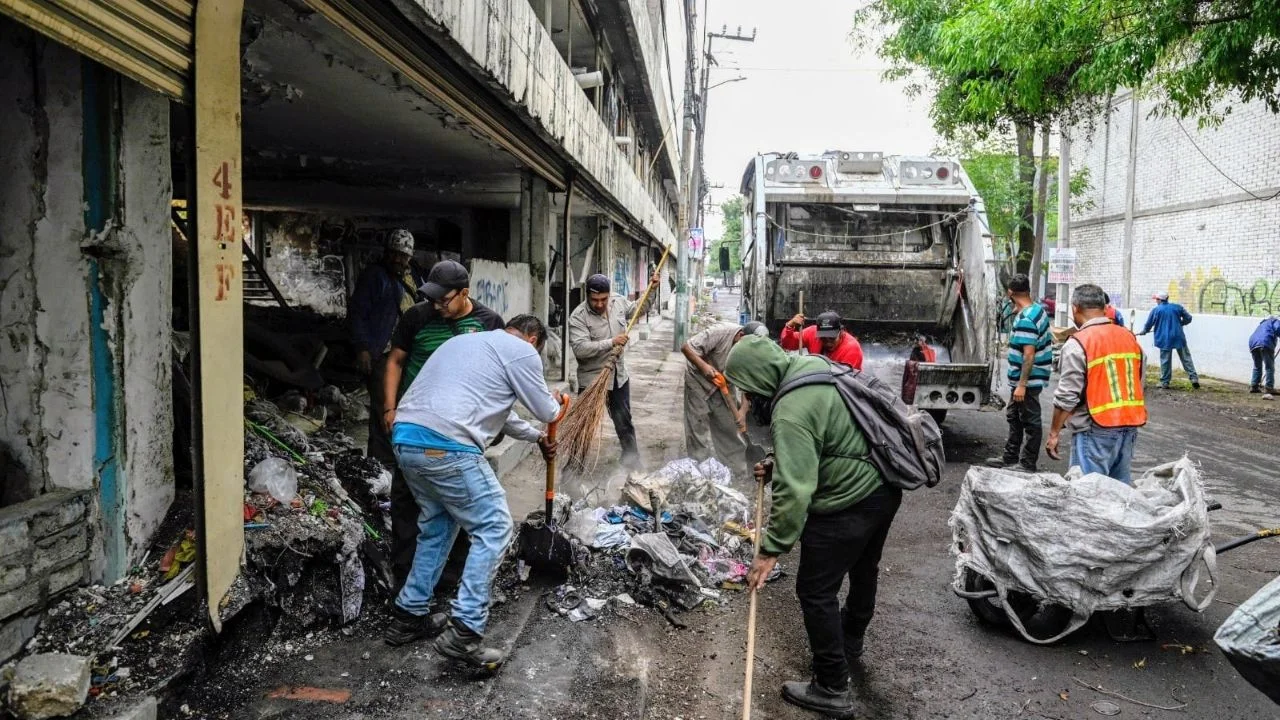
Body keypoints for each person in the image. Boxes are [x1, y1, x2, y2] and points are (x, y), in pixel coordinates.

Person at [727, 335, 900, 720]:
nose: (750, 397)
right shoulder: (812, 367)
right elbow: (827, 436)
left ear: (756, 377)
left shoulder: (788, 409)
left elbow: (795, 491)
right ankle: (849, 643)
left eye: (747, 386)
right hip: (883, 487)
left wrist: (771, 549)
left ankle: (832, 686)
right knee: (863, 569)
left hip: (849, 498)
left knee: (815, 589)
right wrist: (779, 461)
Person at [383, 315, 565, 666]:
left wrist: (536, 437)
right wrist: (559, 403)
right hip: (447, 445)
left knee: (438, 524)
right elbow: (546, 408)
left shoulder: (467, 343)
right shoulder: (522, 351)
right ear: (533, 340)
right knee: (495, 526)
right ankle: (465, 630)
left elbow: (501, 413)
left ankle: (409, 615)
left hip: (407, 439)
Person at [383, 259, 504, 592]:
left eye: (443, 298)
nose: (436, 304)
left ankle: (450, 578)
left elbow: (497, 374)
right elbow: (395, 360)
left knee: (461, 505)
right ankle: (405, 576)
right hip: (415, 424)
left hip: (459, 431)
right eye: (432, 297)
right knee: (407, 501)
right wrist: (389, 408)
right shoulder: (417, 318)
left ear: (464, 293)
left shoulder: (488, 322)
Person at [1046, 284, 1147, 484]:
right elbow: (1139, 380)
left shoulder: (1078, 343)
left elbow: (1067, 395)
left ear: (1075, 308)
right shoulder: (1129, 338)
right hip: (1129, 426)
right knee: (1119, 495)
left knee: (1089, 498)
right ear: (1103, 307)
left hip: (1095, 427)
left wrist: (1054, 432)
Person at [568, 272, 660, 468]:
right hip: (592, 380)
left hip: (618, 377)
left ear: (609, 295)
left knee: (624, 421)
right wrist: (611, 342)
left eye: (603, 299)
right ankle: (574, 468)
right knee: (583, 426)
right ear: (587, 296)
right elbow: (580, 349)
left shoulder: (618, 302)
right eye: (595, 300)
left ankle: (632, 463)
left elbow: (638, 309)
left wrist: (652, 289)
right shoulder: (578, 317)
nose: (600, 304)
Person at [350, 229, 426, 465]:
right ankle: (380, 463)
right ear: (386, 252)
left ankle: (402, 458)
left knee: (406, 407)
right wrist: (362, 347)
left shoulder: (414, 276)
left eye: (402, 255)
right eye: (393, 254)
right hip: (382, 353)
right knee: (384, 409)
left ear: (410, 256)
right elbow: (357, 314)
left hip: (408, 353)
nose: (397, 259)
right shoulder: (374, 277)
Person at [680, 321, 767, 478]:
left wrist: (742, 412)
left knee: (729, 429)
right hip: (698, 381)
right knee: (698, 430)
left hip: (724, 385)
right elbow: (686, 347)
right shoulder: (719, 333)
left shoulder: (754, 350)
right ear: (741, 336)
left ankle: (737, 474)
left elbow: (748, 384)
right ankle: (699, 475)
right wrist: (704, 367)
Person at [986, 274, 1053, 472]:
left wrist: (1022, 385)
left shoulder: (1025, 319)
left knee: (1030, 422)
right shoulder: (1037, 311)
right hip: (1026, 381)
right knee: (1014, 417)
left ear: (1010, 293)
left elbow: (1029, 356)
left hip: (1027, 382)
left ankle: (1027, 463)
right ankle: (1010, 456)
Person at [1138, 291, 1199, 389]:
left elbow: (1149, 324)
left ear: (1159, 300)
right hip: (1178, 336)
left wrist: (1144, 331)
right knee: (1186, 358)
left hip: (1164, 338)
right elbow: (1189, 318)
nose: (1156, 301)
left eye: (1156, 299)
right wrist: (1181, 323)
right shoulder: (1177, 307)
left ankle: (1165, 382)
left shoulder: (1156, 310)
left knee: (1165, 360)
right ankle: (1193, 378)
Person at [779, 310, 864, 369]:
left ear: (840, 332)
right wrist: (790, 325)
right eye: (823, 338)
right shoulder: (812, 332)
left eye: (831, 338)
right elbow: (787, 344)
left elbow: (847, 381)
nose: (828, 343)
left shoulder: (852, 349)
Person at [1248, 315, 1280, 396]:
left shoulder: (1263, 324)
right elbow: (1278, 328)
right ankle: (1269, 387)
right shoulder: (1274, 321)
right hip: (1265, 342)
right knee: (1269, 367)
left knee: (1257, 366)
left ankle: (1254, 386)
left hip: (1253, 343)